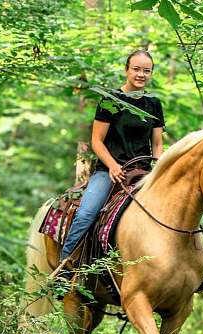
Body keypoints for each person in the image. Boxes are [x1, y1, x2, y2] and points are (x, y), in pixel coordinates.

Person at [59, 50, 165, 263]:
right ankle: (65, 266)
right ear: (126, 70)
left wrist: (159, 168)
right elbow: (96, 141)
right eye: (136, 69)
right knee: (86, 213)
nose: (141, 75)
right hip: (110, 171)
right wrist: (113, 166)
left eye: (146, 71)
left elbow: (157, 143)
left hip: (144, 171)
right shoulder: (111, 100)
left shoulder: (154, 103)